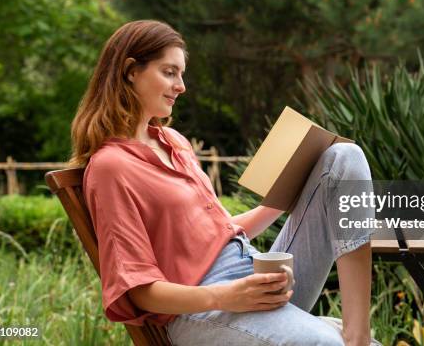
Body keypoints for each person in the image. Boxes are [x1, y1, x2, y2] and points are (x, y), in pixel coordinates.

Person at [69, 20, 377, 346]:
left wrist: (286, 190)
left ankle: (357, 333)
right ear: (131, 71)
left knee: (345, 156)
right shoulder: (111, 167)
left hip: (254, 277)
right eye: (169, 72)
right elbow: (140, 289)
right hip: (203, 310)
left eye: (181, 74)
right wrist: (224, 296)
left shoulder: (173, 142)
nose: (181, 86)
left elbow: (217, 232)